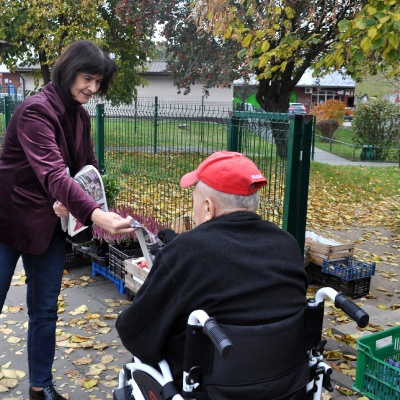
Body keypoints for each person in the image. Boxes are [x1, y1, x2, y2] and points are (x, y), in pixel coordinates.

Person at [0, 40, 135, 400]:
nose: (92, 88)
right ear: (68, 70)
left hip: (48, 231)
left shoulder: (81, 115)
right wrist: (92, 212)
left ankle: (40, 387)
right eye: (87, 78)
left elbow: (84, 171)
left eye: (98, 83)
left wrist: (80, 203)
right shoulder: (35, 112)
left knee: (44, 311)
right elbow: (54, 175)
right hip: (7, 222)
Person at [116, 151, 309, 399]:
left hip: (208, 390)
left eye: (194, 201)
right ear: (254, 205)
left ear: (208, 207)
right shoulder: (287, 245)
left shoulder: (185, 254)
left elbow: (136, 335)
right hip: (284, 386)